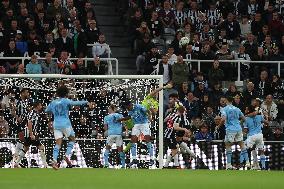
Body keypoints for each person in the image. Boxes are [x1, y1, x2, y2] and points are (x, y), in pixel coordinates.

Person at [45, 85, 94, 170]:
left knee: (58, 144)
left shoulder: (53, 102)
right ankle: (67, 155)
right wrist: (86, 102)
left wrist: (53, 110)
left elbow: (46, 110)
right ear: (66, 93)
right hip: (65, 124)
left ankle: (54, 160)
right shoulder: (65, 100)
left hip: (56, 124)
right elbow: (75, 103)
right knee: (72, 139)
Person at [117, 100, 155, 168]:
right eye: (126, 108)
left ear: (131, 104)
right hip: (136, 125)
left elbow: (147, 111)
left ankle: (152, 159)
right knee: (132, 141)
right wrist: (121, 119)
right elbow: (130, 116)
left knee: (147, 140)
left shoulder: (139, 106)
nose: (127, 109)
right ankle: (134, 159)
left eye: (128, 107)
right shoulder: (129, 109)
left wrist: (150, 117)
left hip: (144, 124)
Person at [216, 96, 249, 170]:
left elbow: (223, 119)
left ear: (227, 100)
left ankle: (229, 164)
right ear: (232, 101)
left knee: (228, 145)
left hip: (230, 129)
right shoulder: (237, 109)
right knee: (241, 144)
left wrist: (218, 126)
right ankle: (247, 162)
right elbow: (244, 118)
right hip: (238, 129)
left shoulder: (224, 109)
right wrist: (238, 123)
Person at [14, 102, 48, 168]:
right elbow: (29, 123)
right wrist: (31, 134)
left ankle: (16, 163)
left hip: (29, 133)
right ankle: (45, 165)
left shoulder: (34, 113)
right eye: (40, 104)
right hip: (30, 134)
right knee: (41, 147)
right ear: (37, 106)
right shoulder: (33, 113)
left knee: (26, 148)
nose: (41, 106)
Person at [244, 105, 268, 170]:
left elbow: (245, 131)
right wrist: (266, 116)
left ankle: (251, 165)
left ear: (248, 110)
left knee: (246, 148)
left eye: (246, 109)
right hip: (260, 135)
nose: (245, 110)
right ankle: (262, 166)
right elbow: (266, 123)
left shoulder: (246, 118)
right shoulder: (259, 116)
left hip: (251, 136)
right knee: (261, 150)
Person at [13, 88, 31, 167]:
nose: (28, 94)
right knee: (22, 140)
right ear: (22, 93)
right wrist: (17, 118)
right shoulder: (18, 101)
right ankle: (15, 161)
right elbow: (12, 110)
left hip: (25, 123)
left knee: (22, 141)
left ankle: (16, 161)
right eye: (27, 92)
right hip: (19, 124)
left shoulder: (26, 102)